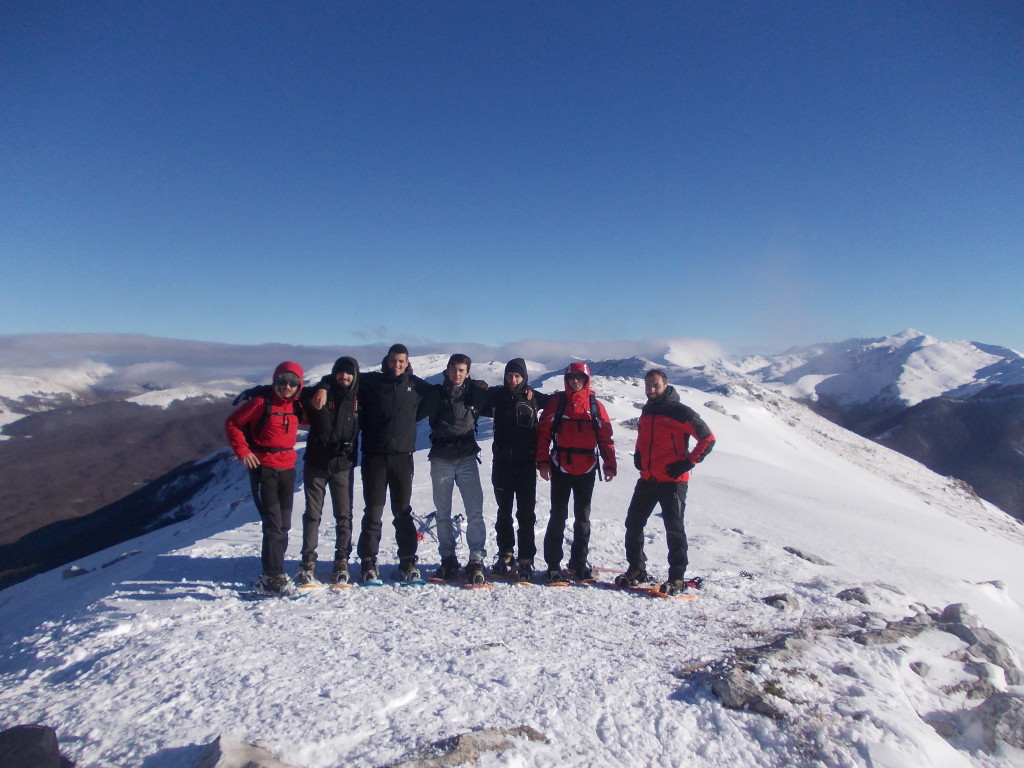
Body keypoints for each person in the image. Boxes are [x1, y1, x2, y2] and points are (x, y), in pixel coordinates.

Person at [315, 344, 432, 583]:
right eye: (393, 361)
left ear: (407, 362)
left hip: (402, 457)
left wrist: (410, 418)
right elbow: (343, 379)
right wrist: (325, 386)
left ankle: (408, 559)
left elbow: (438, 397)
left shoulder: (417, 386)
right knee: (373, 512)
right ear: (386, 361)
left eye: (401, 361)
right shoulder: (371, 382)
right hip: (375, 457)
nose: (396, 365)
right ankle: (369, 560)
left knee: (402, 511)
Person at [619, 369, 715, 595]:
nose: (651, 390)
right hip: (648, 479)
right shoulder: (648, 411)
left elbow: (707, 438)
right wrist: (638, 455)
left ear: (665, 385)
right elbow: (643, 437)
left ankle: (677, 578)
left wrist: (688, 462)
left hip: (673, 481)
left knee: (674, 529)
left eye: (655, 386)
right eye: (648, 386)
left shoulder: (679, 411)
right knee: (633, 524)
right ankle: (636, 569)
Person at [225, 361, 306, 596]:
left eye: (293, 382)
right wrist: (243, 451)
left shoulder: (296, 406)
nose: (288, 386)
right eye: (283, 381)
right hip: (264, 468)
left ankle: (275, 572)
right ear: (275, 381)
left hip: (287, 468)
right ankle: (272, 576)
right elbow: (232, 423)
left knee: (284, 524)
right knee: (273, 524)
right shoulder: (261, 403)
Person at [535, 361, 616, 583]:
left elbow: (605, 437)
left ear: (586, 379)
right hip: (561, 466)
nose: (576, 381)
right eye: (572, 378)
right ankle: (553, 564)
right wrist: (543, 462)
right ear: (566, 379)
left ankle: (579, 562)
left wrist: (610, 463)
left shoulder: (595, 406)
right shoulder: (557, 403)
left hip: (587, 467)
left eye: (580, 377)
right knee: (558, 516)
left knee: (583, 518)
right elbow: (543, 434)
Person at [421, 354, 491, 584]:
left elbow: (505, 396)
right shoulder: (436, 393)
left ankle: (476, 560)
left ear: (468, 372)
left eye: (461, 370)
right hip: (441, 458)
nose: (457, 374)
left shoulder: (476, 393)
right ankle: (448, 560)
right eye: (453, 369)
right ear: (447, 370)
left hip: (467, 458)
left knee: (475, 512)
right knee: (442, 514)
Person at [480, 358, 549, 581]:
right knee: (503, 513)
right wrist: (477, 385)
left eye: (517, 376)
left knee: (526, 514)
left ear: (524, 377)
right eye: (510, 375)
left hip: (526, 465)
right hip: (502, 464)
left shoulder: (533, 397)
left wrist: (588, 395)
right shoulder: (497, 396)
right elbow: (474, 396)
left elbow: (557, 401)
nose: (513, 379)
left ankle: (526, 557)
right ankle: (505, 554)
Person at [296, 356, 360, 586]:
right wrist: (323, 385)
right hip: (316, 463)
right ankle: (307, 562)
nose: (344, 376)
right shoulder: (319, 394)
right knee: (312, 514)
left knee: (344, 516)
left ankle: (342, 560)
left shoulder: (360, 397)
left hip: (343, 465)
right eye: (339, 372)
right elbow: (288, 392)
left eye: (348, 373)